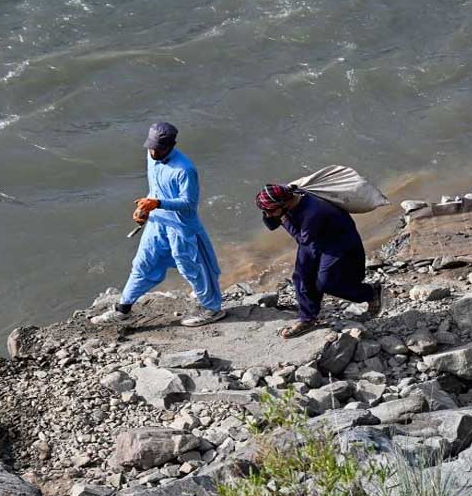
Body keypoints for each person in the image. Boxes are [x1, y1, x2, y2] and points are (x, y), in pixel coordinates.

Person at [93, 122, 225, 327]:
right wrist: (144, 210)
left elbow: (189, 205)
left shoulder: (185, 170)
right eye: (150, 147)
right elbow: (154, 188)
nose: (153, 152)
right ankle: (123, 309)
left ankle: (211, 309)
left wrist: (158, 203)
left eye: (158, 148)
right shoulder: (151, 157)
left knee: (192, 268)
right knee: (142, 263)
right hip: (157, 223)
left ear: (171, 146)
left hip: (182, 228)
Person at [256, 183, 383, 339]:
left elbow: (301, 238)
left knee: (328, 283)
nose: (267, 214)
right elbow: (273, 224)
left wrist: (284, 219)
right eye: (265, 211)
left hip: (337, 243)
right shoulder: (290, 197)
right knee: (302, 278)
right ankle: (307, 318)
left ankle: (370, 292)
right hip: (313, 240)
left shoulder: (314, 211)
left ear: (285, 204)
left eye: (270, 210)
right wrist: (273, 215)